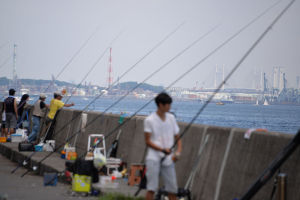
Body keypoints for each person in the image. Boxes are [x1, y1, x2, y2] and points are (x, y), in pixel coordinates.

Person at [144, 92, 182, 200]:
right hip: (153, 159)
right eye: (168, 105)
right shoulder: (149, 120)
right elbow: (147, 141)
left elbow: (177, 137)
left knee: (173, 189)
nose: (170, 107)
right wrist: (162, 149)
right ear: (160, 105)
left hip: (168, 159)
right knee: (151, 189)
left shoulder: (171, 118)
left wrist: (178, 152)